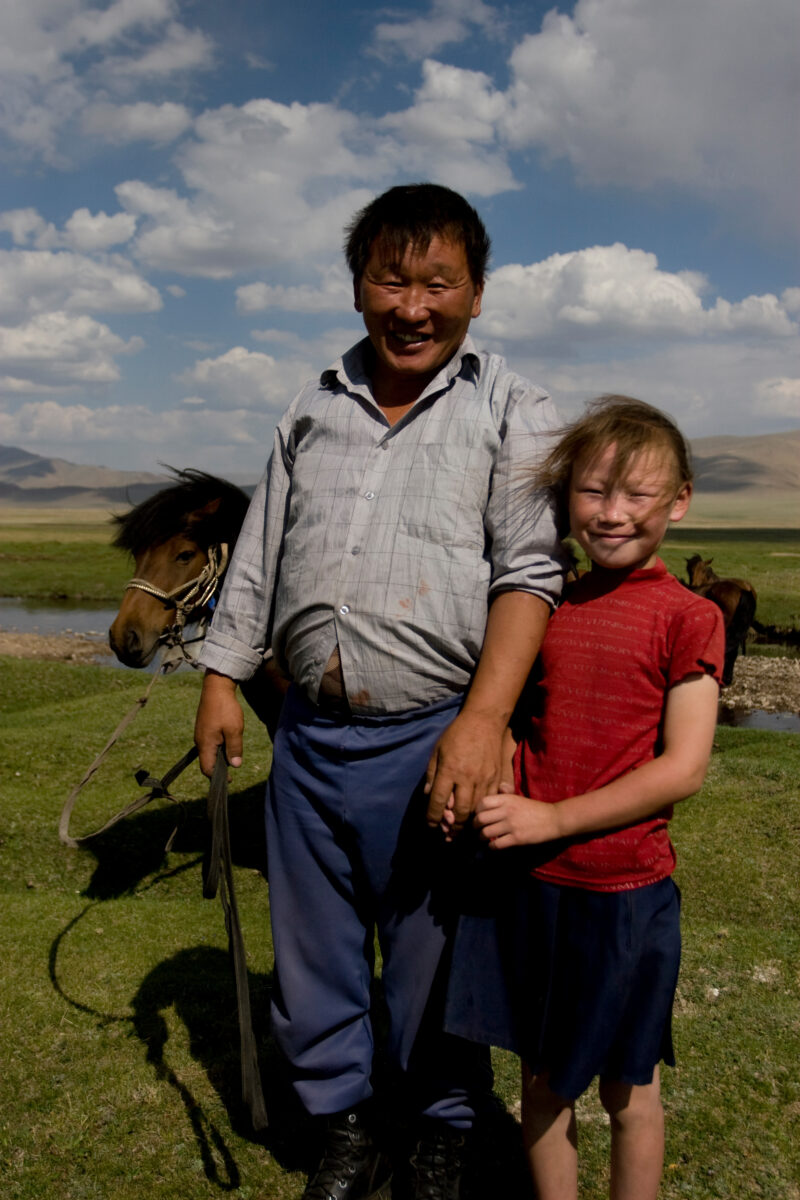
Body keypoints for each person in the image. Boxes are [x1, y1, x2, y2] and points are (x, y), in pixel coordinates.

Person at [193, 183, 566, 1200]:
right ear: (357, 288)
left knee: (432, 956)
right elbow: (260, 555)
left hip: (433, 734)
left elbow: (527, 574)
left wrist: (482, 722)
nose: (412, 306)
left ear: (475, 295)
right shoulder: (309, 405)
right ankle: (346, 1125)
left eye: (436, 282)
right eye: (390, 279)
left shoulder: (511, 409)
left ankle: (443, 1130)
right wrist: (222, 677)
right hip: (308, 737)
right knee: (310, 954)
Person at [445, 395, 725, 1200]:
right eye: (593, 492)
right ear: (566, 498)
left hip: (626, 897)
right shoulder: (546, 608)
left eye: (637, 495)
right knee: (540, 1086)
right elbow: (512, 716)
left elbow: (685, 769)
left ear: (679, 501)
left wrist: (556, 818)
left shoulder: (690, 617)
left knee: (627, 1092)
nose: (610, 514)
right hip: (531, 890)